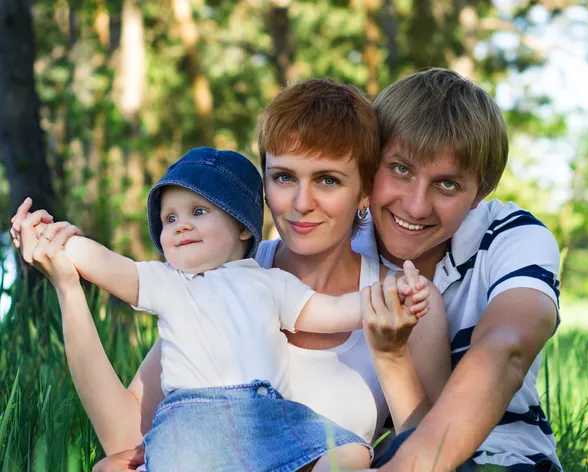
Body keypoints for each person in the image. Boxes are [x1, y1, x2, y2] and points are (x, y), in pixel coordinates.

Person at [11, 78, 451, 470]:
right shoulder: (215, 279)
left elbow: (433, 453)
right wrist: (69, 289)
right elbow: (127, 440)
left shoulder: (407, 304)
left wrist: (391, 357)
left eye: (328, 180)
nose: (301, 202)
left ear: (365, 191)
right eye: (283, 177)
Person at [351, 68, 562, 471]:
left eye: (446, 184)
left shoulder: (513, 237)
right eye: (401, 169)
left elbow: (508, 347)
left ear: (479, 193)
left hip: (503, 458)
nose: (415, 206)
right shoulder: (340, 243)